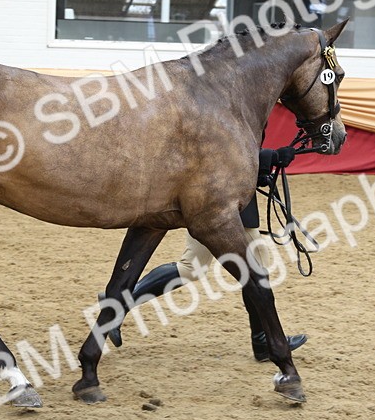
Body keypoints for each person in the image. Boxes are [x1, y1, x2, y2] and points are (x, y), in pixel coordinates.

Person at [105, 152, 307, 362]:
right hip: (219, 203)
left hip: (218, 199)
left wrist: (262, 169)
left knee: (194, 268)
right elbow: (231, 149)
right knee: (250, 268)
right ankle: (262, 341)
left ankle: (120, 302)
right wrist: (270, 157)